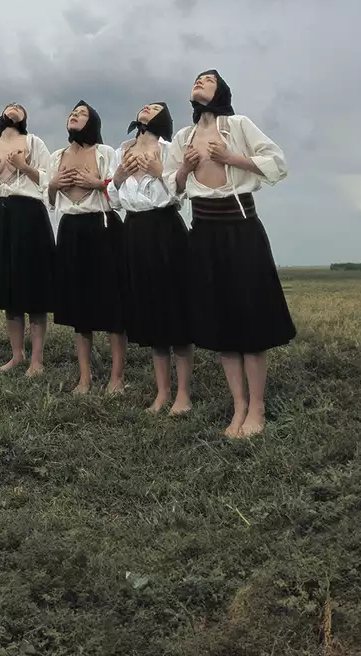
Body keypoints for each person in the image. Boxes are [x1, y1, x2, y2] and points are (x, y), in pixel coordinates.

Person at [164, 70, 295, 438]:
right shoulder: (183, 137)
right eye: (196, 79)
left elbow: (277, 162)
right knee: (220, 320)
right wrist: (185, 168)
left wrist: (232, 157)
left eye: (207, 79)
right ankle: (238, 406)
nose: (199, 81)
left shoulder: (238, 125)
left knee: (249, 318)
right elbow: (171, 189)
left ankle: (258, 407)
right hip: (203, 233)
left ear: (220, 90)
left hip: (241, 229)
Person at [114, 101, 194, 414]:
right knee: (149, 309)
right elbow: (115, 198)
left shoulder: (170, 147)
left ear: (162, 118)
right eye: (144, 106)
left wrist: (159, 172)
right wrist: (119, 176)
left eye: (154, 107)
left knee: (175, 310)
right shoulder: (124, 149)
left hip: (165, 227)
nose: (146, 108)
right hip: (133, 229)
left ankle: (183, 394)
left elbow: (179, 194)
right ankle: (162, 392)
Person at [47, 101, 128, 395]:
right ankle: (85, 378)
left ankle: (117, 377)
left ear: (93, 122)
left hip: (103, 226)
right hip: (70, 228)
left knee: (111, 305)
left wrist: (98, 182)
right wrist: (54, 184)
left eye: (81, 114)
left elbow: (118, 195)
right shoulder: (58, 156)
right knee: (79, 308)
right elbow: (49, 198)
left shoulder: (105, 153)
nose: (74, 116)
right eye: (72, 113)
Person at [0, 103, 55, 376]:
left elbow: (48, 179)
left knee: (32, 286)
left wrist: (24, 166)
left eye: (18, 108)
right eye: (8, 107)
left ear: (24, 118)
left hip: (29, 212)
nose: (12, 110)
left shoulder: (34, 142)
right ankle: (17, 355)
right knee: (6, 285)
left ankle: (37, 359)